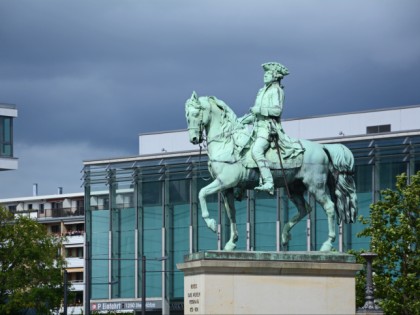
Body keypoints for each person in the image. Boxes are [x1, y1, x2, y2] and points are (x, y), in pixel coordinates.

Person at [240, 62, 303, 194]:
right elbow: (256, 114)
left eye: (268, 73)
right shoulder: (261, 91)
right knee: (242, 150)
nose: (265, 76)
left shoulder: (277, 90)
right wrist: (241, 121)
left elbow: (277, 111)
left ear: (275, 76)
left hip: (268, 129)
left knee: (256, 150)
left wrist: (259, 109)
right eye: (265, 73)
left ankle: (268, 182)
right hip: (256, 129)